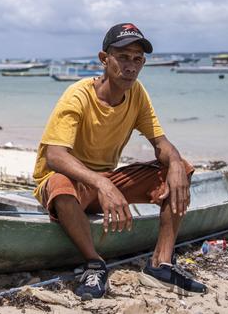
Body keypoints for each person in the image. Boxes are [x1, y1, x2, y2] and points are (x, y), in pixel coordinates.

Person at [32, 23, 206, 300]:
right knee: (59, 182)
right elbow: (54, 156)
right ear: (104, 59)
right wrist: (101, 183)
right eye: (123, 57)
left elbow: (161, 144)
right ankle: (94, 263)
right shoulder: (78, 95)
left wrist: (174, 164)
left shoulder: (137, 94)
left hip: (105, 184)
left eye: (137, 59)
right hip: (70, 187)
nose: (131, 66)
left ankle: (160, 263)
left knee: (181, 168)